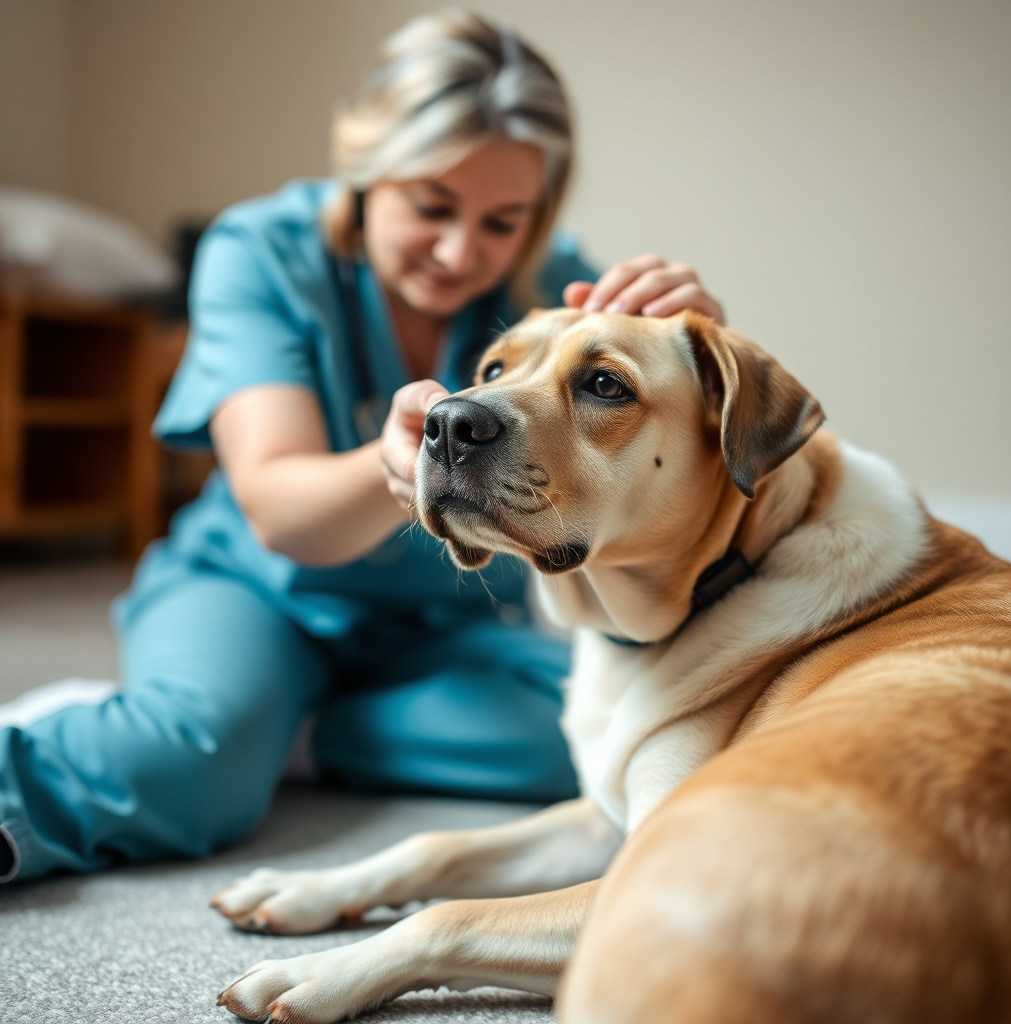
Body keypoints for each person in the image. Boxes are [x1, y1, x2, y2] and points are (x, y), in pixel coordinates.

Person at [0, 9, 724, 883]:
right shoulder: (258, 251)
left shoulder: (557, 280)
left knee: (614, 732)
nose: (460, 251)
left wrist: (694, 354)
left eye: (503, 222)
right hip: (260, 591)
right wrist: (398, 468)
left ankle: (292, 730)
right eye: (432, 206)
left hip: (445, 615)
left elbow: (646, 457)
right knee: (193, 766)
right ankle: (211, 728)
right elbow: (281, 512)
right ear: (367, 167)